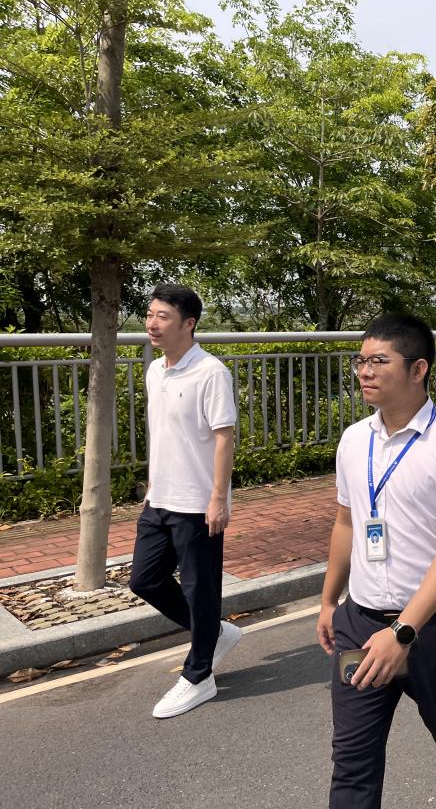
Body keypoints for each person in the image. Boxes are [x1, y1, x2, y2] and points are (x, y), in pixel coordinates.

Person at [316, 313, 436, 809]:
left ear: (418, 369)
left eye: (379, 361)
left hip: (434, 628)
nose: (364, 371)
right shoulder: (355, 439)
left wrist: (402, 633)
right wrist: (329, 601)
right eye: (360, 360)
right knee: (352, 760)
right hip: (360, 624)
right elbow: (347, 523)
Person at [129, 284, 241, 719]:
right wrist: (151, 485)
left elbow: (224, 437)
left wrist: (218, 498)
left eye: (163, 317)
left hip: (197, 502)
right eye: (150, 315)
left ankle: (199, 676)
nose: (152, 324)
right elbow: (165, 435)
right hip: (160, 498)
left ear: (188, 324)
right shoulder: (155, 370)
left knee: (200, 589)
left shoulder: (211, 373)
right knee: (144, 580)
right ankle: (214, 633)